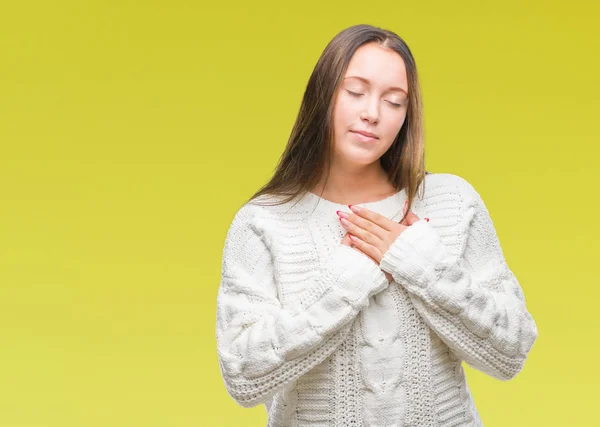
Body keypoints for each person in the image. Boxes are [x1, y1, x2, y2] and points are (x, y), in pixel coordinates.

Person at [215, 24, 538, 426]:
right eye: (355, 92)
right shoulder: (264, 222)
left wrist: (419, 263)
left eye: (395, 101)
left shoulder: (452, 201)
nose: (372, 113)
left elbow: (512, 351)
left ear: (407, 115)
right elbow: (243, 375)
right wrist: (349, 279)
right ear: (323, 94)